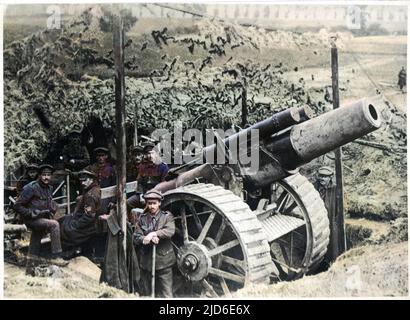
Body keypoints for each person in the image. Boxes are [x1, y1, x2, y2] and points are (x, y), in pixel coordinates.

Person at [14, 164, 66, 274]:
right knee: (54, 224)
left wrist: (52, 207)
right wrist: (31, 213)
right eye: (43, 175)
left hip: (41, 219)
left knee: (35, 243)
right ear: (39, 175)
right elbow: (17, 205)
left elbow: (47, 203)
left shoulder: (49, 188)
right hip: (31, 220)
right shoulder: (31, 187)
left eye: (48, 175)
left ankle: (29, 270)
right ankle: (56, 256)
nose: (46, 177)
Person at [133, 190, 176, 298]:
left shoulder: (167, 217)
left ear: (159, 203)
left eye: (154, 203)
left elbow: (170, 231)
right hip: (146, 262)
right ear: (146, 204)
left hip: (163, 262)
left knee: (166, 294)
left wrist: (154, 234)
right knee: (147, 293)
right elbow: (136, 237)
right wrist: (144, 239)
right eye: (149, 203)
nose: (152, 206)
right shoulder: (142, 219)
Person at [59, 170, 101, 250]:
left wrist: (75, 224)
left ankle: (70, 250)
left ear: (92, 179)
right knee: (62, 220)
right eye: (81, 181)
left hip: (90, 225)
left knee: (66, 228)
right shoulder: (92, 188)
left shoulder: (90, 195)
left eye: (85, 180)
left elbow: (89, 217)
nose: (82, 183)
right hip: (86, 218)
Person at [127, 143, 169, 212]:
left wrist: (154, 196)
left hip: (157, 195)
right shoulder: (142, 167)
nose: (150, 156)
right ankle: (129, 222)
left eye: (152, 153)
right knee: (127, 203)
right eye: (147, 154)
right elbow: (139, 183)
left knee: (149, 209)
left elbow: (164, 185)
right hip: (144, 194)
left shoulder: (163, 167)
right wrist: (141, 195)